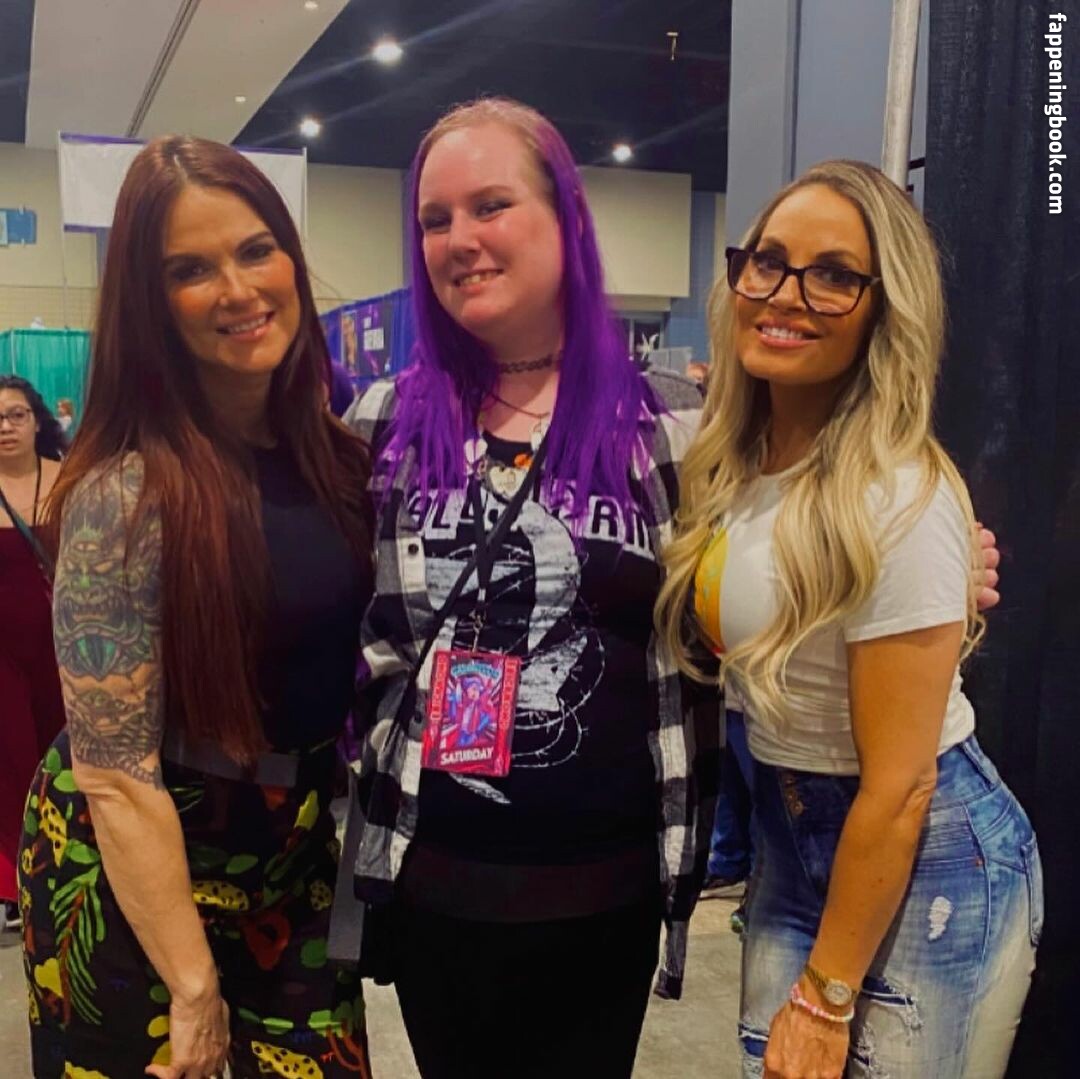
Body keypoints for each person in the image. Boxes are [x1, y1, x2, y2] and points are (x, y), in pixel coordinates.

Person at [342, 97, 720, 1079]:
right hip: (436, 881)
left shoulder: (673, 423)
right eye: (435, 219)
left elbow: (790, 559)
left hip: (607, 890)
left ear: (566, 217)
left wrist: (946, 557)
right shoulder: (384, 421)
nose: (460, 238)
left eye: (491, 204)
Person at [657, 159, 1038, 1078]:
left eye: (832, 274)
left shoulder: (899, 493)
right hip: (790, 835)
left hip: (925, 850)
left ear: (882, 308)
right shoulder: (731, 463)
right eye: (769, 261)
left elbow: (902, 785)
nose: (786, 294)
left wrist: (827, 998)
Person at [19, 136, 375, 1079]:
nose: (238, 289)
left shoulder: (339, 460)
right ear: (150, 303)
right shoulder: (123, 491)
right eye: (190, 269)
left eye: (257, 250)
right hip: (131, 878)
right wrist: (191, 982)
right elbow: (113, 774)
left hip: (289, 862)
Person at [0, 376, 67, 932]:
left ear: (37, 420)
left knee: (67, 755)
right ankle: (16, 879)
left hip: (70, 648)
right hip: (4, 655)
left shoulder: (70, 478)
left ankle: (73, 861)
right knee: (13, 760)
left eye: (16, 414)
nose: (5, 426)